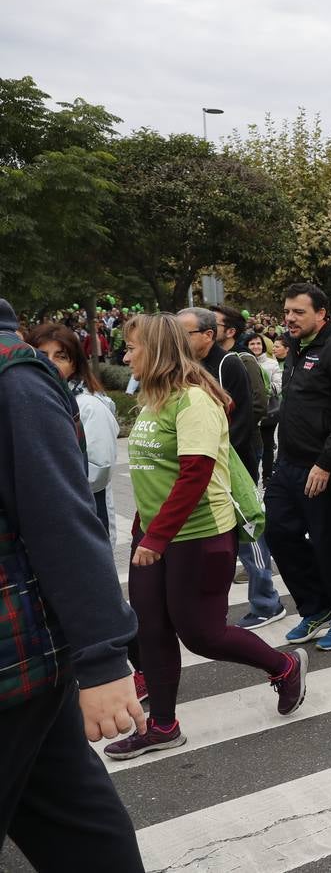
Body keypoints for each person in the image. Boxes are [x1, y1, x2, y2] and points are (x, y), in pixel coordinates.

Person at [106, 313, 307, 760]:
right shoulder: (154, 400)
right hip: (156, 534)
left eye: (133, 347)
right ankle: (162, 725)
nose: (126, 355)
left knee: (201, 634)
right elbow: (154, 476)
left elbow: (194, 475)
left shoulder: (193, 401)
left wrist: (155, 538)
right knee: (151, 629)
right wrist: (146, 530)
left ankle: (284, 665)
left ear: (156, 351)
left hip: (199, 535)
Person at [0, 299, 145, 869]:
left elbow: (64, 519)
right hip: (20, 663)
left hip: (17, 662)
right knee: (82, 831)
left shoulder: (15, 380)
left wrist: (104, 658)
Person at [268, 283, 331, 652]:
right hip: (287, 465)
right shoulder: (295, 347)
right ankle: (316, 607)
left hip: (324, 469)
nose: (290, 318)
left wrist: (326, 463)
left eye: (298, 312)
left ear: (321, 314)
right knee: (277, 532)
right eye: (287, 311)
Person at [179, 307, 287, 630]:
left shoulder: (229, 363)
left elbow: (241, 417)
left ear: (210, 335)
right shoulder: (192, 366)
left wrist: (221, 456)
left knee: (248, 529)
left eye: (186, 334)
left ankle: (267, 601)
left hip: (232, 460)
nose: (178, 340)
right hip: (211, 460)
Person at [26, 324, 120, 543]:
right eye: (42, 355)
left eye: (61, 356)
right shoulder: (31, 400)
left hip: (85, 515)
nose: (49, 362)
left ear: (75, 364)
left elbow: (98, 470)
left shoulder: (88, 406)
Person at [247, 332, 282, 483]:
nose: (255, 346)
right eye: (252, 344)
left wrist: (262, 389)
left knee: (267, 445)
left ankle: (267, 476)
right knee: (252, 447)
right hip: (249, 413)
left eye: (258, 343)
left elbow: (279, 386)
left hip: (269, 412)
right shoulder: (242, 361)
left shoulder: (272, 363)